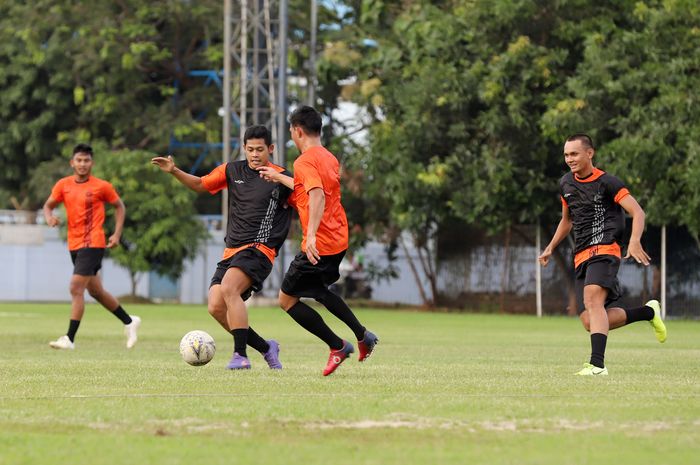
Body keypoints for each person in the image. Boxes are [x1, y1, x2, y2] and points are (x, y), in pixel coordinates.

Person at [152, 125, 291, 370]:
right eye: (250, 149)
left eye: (260, 149)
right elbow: (200, 184)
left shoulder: (281, 178)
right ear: (244, 148)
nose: (255, 154)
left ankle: (240, 356)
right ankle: (266, 347)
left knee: (229, 288)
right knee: (216, 306)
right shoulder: (231, 170)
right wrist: (174, 170)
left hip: (260, 249)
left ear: (271, 149)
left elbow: (308, 195)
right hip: (232, 251)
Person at [258, 105, 378, 376]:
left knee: (287, 299)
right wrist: (278, 177)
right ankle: (362, 336)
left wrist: (310, 235)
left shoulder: (304, 161)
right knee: (319, 290)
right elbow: (306, 186)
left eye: (291, 132)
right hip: (338, 238)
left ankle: (338, 346)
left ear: (297, 131)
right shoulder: (328, 157)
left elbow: (317, 195)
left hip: (320, 243)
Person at [538, 134, 667, 376]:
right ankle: (648, 312)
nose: (569, 159)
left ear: (590, 153)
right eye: (566, 155)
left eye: (574, 153)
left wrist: (635, 240)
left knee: (592, 300)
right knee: (590, 320)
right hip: (581, 254)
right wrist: (551, 246)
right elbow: (567, 220)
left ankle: (597, 365)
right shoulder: (565, 183)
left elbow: (637, 211)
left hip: (606, 248)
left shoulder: (608, 182)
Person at [43, 144, 141, 350]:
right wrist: (49, 217)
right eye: (79, 160)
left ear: (91, 163)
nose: (82, 164)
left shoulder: (101, 186)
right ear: (72, 163)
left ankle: (69, 338)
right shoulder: (63, 185)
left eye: (86, 160)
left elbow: (119, 206)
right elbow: (48, 205)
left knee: (75, 288)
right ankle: (129, 321)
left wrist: (116, 234)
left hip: (94, 243)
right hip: (74, 244)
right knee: (95, 291)